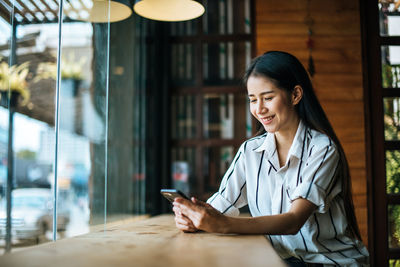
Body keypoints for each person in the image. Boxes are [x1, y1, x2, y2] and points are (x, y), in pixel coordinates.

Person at [172, 51, 370, 266]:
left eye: (267, 98)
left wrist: (222, 225)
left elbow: (293, 221)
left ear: (295, 95)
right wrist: (195, 218)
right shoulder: (250, 151)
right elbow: (222, 203)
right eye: (253, 100)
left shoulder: (322, 149)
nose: (259, 109)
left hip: (330, 263)